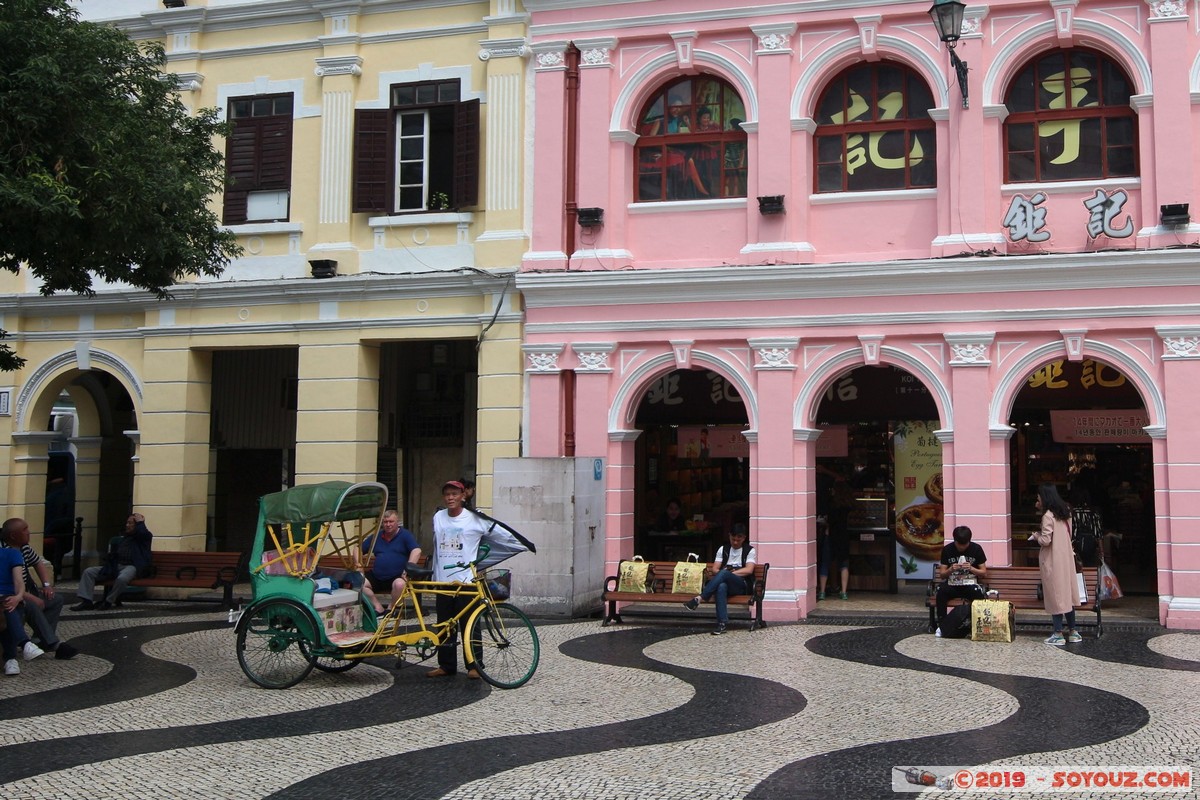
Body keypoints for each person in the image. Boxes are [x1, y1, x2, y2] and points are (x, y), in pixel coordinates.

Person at [426, 480, 492, 679]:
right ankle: (446, 665)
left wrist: (482, 563)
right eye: (447, 494)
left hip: (466, 581)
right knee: (445, 625)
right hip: (444, 581)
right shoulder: (438, 517)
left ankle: (474, 665)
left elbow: (494, 536)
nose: (450, 497)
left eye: (454, 493)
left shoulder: (475, 518)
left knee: (470, 624)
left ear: (463, 496)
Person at [0, 518, 77, 659]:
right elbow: (10, 584)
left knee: (55, 600)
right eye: (24, 530)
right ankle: (53, 644)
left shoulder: (24, 548)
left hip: (23, 594)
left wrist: (46, 585)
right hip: (12, 596)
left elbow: (38, 563)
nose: (29, 532)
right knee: (32, 605)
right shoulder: (5, 552)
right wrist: (29, 597)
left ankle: (39, 640)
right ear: (13, 536)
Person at [683, 524, 756, 635]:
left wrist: (729, 573)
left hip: (741, 584)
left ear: (744, 538)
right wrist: (725, 574)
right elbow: (714, 569)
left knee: (724, 573)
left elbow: (749, 570)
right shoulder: (723, 549)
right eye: (733, 539)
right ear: (729, 536)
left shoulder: (749, 550)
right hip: (726, 582)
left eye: (738, 539)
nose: (735, 542)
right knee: (721, 587)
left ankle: (700, 598)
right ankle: (722, 623)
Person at [1032, 483, 1082, 645]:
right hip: (1066, 559)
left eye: (1038, 496)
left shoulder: (1047, 516)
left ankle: (1058, 633)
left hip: (1053, 561)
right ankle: (1073, 632)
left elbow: (1046, 541)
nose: (1037, 498)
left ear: (1045, 497)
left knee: (1055, 597)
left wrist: (1036, 536)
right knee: (1066, 595)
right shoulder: (1066, 512)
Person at [72, 512, 153, 611]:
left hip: (132, 566)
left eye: (130, 523)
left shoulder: (144, 537)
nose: (127, 525)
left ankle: (109, 601)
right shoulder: (125, 537)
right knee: (89, 572)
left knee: (122, 579)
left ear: (137, 525)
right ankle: (87, 601)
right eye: (127, 523)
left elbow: (143, 534)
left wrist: (140, 523)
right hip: (116, 565)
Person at [358, 510, 422, 614]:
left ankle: (390, 609)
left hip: (397, 576)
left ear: (397, 522)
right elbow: (358, 549)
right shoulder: (376, 536)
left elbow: (417, 551)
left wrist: (408, 569)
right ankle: (378, 607)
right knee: (359, 583)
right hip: (377, 576)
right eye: (385, 522)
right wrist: (358, 565)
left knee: (400, 584)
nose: (388, 524)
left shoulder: (405, 535)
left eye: (391, 521)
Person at [2, 531, 44, 676]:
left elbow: (19, 582)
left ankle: (11, 659)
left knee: (9, 607)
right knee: (9, 608)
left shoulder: (12, 554)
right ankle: (23, 646)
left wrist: (18, 596)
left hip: (9, 598)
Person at [933, 525, 988, 633]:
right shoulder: (947, 550)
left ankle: (977, 624)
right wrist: (950, 570)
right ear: (955, 541)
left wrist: (971, 568)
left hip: (970, 584)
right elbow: (942, 574)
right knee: (941, 592)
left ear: (969, 541)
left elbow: (984, 573)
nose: (962, 548)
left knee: (978, 593)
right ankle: (943, 625)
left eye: (965, 544)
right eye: (959, 545)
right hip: (953, 583)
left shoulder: (976, 549)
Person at [817, 471, 853, 600]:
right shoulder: (848, 505)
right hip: (843, 536)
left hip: (830, 536)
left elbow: (828, 521)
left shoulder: (831, 505)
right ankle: (843, 592)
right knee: (844, 564)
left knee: (825, 563)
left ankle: (821, 591)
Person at [1069, 487, 1103, 568]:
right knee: (1091, 569)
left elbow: (1070, 532)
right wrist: (1101, 551)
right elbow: (1098, 534)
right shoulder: (1093, 513)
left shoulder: (1072, 514)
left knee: (1077, 570)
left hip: (1075, 547)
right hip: (1092, 547)